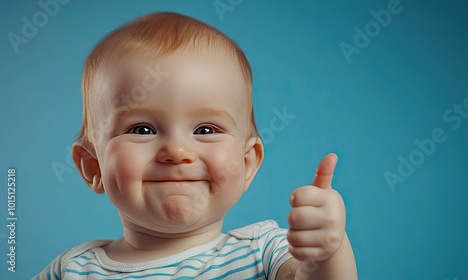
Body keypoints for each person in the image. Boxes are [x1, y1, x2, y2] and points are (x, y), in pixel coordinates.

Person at [35, 12, 357, 279]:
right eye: (143, 129)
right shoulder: (71, 270)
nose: (176, 151)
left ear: (246, 163)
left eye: (205, 128)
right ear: (93, 166)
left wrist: (326, 253)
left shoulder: (262, 253)